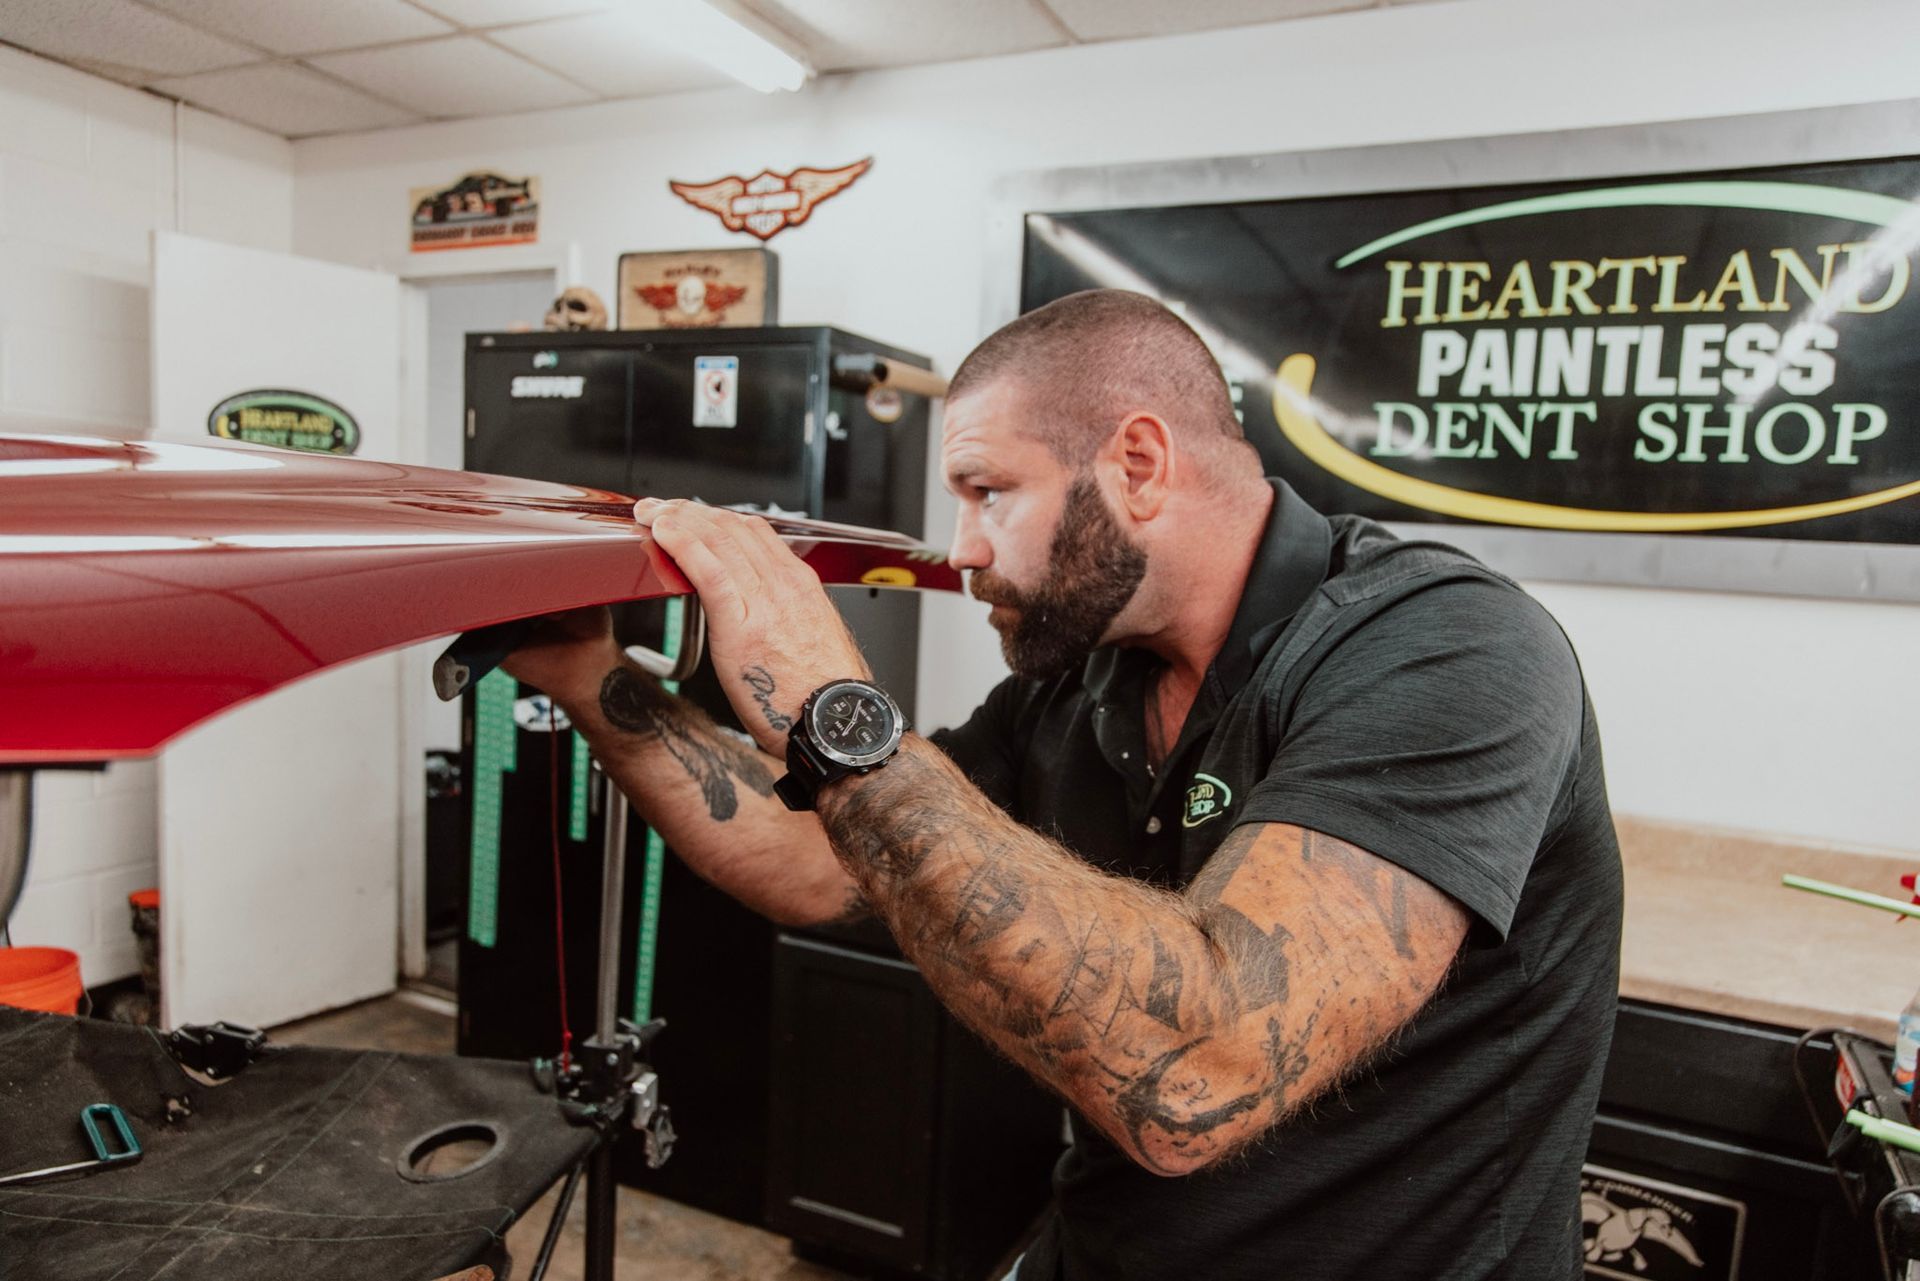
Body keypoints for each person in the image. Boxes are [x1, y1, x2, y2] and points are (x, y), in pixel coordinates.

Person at [503, 289, 1623, 1280]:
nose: (963, 549)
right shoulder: (1085, 674)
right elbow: (821, 858)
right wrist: (593, 678)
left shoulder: (1448, 650)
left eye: (988, 490)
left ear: (1137, 464)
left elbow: (1204, 1070)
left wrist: (822, 699)